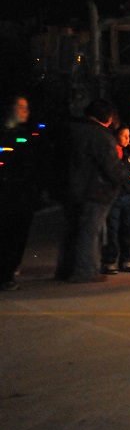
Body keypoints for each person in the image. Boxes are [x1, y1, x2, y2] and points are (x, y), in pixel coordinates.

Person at [61, 99, 128, 284]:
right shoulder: (100, 136)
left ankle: (66, 269)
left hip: (73, 188)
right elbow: (111, 168)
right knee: (89, 232)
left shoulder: (72, 130)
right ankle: (85, 271)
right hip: (95, 190)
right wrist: (125, 176)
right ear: (107, 117)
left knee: (73, 231)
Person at [0, 96, 41, 291]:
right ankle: (6, 275)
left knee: (17, 235)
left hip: (22, 194)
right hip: (12, 194)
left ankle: (9, 271)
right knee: (12, 235)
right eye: (21, 107)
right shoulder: (10, 135)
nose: (26, 111)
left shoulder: (24, 134)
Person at [102, 125, 130, 274]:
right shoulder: (113, 153)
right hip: (115, 197)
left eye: (128, 136)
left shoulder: (129, 153)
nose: (127, 139)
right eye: (124, 136)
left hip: (128, 196)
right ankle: (109, 261)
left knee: (128, 229)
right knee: (112, 230)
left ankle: (126, 259)